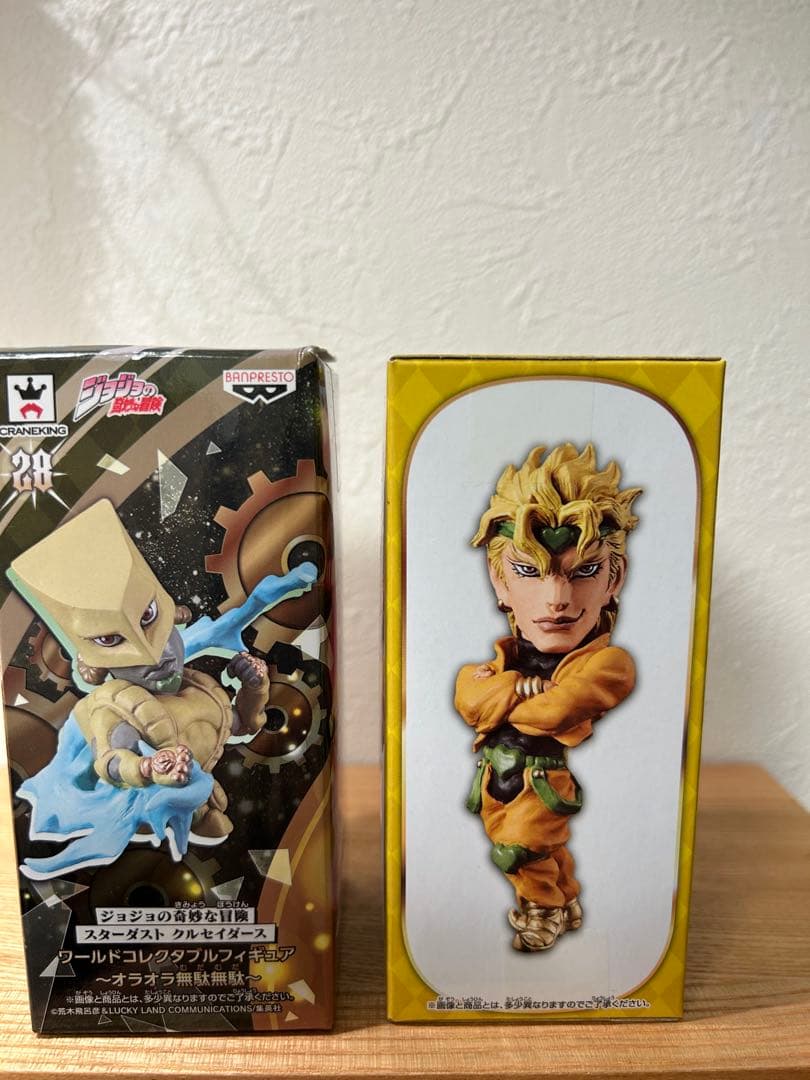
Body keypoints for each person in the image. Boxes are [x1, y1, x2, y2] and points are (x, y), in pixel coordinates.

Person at [455, 443, 640, 952]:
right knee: (544, 847)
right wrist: (514, 686)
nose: (557, 600)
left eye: (584, 572)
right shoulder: (499, 661)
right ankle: (569, 899)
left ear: (614, 578)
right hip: (495, 779)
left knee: (519, 848)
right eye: (529, 572)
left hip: (542, 780)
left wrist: (505, 696)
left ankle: (543, 912)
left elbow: (552, 712)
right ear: (500, 580)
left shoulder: (609, 664)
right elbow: (468, 701)